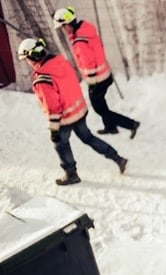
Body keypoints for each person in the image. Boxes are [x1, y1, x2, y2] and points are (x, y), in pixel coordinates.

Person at [17, 38, 128, 185]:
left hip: (65, 118)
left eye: (26, 59)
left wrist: (54, 129)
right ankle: (117, 158)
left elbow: (52, 106)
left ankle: (71, 174)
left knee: (60, 144)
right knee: (88, 138)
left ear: (32, 57)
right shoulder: (59, 61)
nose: (27, 62)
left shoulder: (42, 78)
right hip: (79, 110)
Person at [53, 6, 140, 138]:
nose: (63, 30)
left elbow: (88, 62)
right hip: (105, 75)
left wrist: (92, 82)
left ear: (68, 24)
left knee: (98, 108)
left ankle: (131, 124)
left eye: (63, 27)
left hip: (97, 79)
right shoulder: (86, 30)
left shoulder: (79, 41)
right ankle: (111, 127)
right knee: (101, 103)